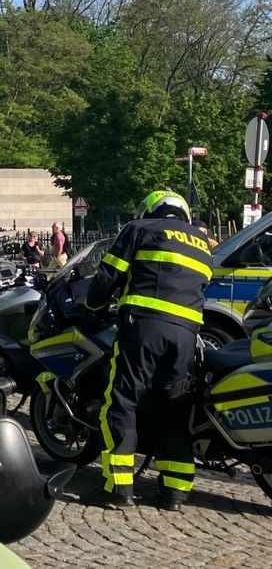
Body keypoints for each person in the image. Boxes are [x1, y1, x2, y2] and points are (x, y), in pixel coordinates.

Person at [81, 190, 210, 511]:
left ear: (151, 209)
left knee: (122, 400)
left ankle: (119, 488)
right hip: (186, 337)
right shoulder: (203, 246)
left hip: (144, 328)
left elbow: (108, 275)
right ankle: (175, 492)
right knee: (174, 406)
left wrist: (92, 304)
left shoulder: (140, 229)